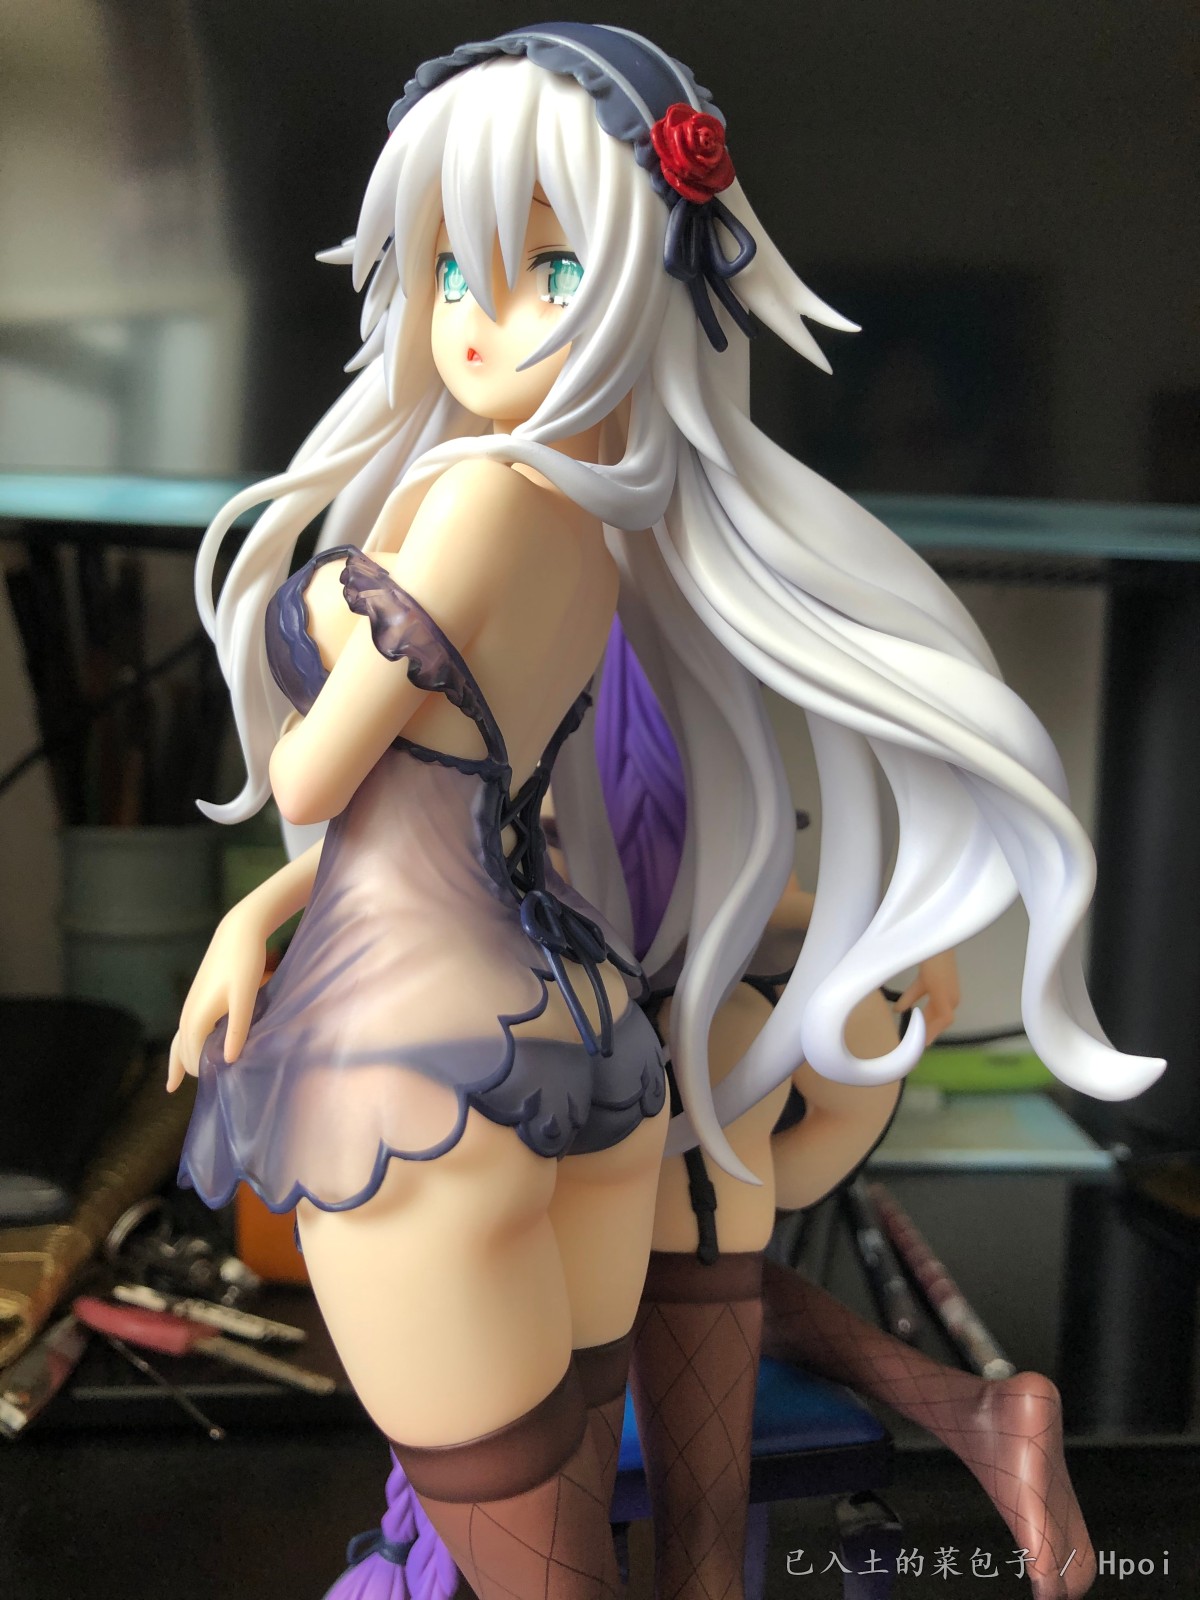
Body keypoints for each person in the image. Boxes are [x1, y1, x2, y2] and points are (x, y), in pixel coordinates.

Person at [167, 24, 1160, 1600]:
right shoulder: (589, 541)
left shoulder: (492, 511)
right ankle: (952, 1418)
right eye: (450, 271)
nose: (479, 321)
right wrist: (256, 909)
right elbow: (499, 820)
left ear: (652, 283)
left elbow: (327, 786)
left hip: (442, 1060)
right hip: (582, 1048)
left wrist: (332, 644)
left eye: (550, 271)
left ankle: (932, 1431)